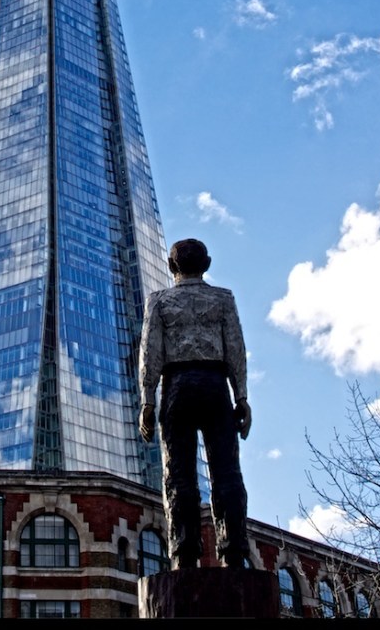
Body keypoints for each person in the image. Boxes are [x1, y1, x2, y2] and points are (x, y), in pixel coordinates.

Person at [138, 238, 252, 569]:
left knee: (178, 474)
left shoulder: (158, 301)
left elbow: (150, 352)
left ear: (172, 267)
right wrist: (241, 395)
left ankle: (184, 553)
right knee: (227, 472)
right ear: (208, 264)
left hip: (177, 388)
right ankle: (233, 552)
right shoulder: (223, 299)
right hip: (216, 385)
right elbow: (235, 348)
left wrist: (147, 400)